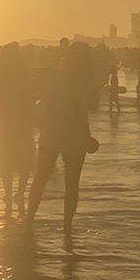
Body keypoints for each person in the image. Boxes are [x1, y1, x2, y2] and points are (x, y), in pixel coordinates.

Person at [26, 40, 98, 240]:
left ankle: (28, 222)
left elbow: (45, 103)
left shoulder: (55, 76)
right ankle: (67, 228)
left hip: (51, 134)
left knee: (39, 180)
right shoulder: (86, 80)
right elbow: (91, 108)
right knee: (72, 185)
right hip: (76, 137)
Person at [0, 41, 37, 218]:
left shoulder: (0, 75)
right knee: (23, 158)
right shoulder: (24, 74)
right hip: (21, 121)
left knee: (6, 160)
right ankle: (20, 193)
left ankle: (9, 195)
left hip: (4, 123)